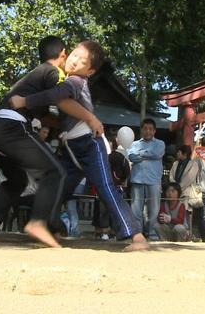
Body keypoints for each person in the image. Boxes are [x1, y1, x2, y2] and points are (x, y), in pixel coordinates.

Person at [9, 41, 148, 251]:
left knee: (106, 187)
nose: (74, 61)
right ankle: (50, 228)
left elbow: (54, 96)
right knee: (59, 185)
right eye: (74, 55)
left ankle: (136, 236)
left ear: (90, 71)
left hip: (89, 144)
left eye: (82, 61)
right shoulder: (68, 79)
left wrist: (24, 101)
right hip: (71, 147)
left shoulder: (75, 82)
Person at [0, 36, 104, 248]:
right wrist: (90, 118)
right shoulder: (52, 72)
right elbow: (62, 100)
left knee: (17, 181)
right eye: (70, 56)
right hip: (11, 127)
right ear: (62, 54)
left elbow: (48, 116)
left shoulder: (36, 77)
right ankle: (39, 223)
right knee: (56, 172)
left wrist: (66, 127)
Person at [126, 119, 165, 241]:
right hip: (137, 179)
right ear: (142, 130)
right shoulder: (134, 144)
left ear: (154, 131)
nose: (147, 131)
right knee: (136, 209)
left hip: (153, 180)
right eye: (145, 128)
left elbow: (157, 154)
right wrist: (147, 154)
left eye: (150, 129)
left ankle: (149, 231)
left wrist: (141, 154)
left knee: (153, 210)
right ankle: (138, 234)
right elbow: (131, 156)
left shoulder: (160, 143)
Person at [168, 145, 201, 238]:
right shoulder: (175, 164)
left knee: (187, 213)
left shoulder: (193, 164)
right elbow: (171, 176)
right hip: (175, 193)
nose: (177, 153)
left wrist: (179, 188)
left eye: (179, 152)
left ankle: (188, 233)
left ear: (184, 153)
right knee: (175, 211)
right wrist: (174, 188)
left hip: (187, 192)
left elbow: (190, 178)